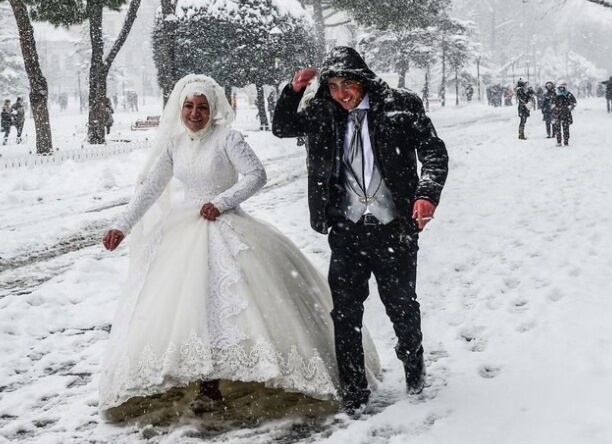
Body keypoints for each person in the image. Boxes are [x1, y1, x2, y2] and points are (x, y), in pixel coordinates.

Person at [99, 73, 380, 417]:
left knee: (229, 304)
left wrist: (222, 201)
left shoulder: (228, 139)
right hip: (183, 230)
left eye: (202, 107)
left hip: (226, 225)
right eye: (188, 106)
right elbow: (149, 189)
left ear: (213, 109)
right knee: (190, 305)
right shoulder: (174, 146)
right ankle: (203, 381)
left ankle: (235, 375)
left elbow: (256, 175)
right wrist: (121, 225)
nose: (194, 113)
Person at [272, 46, 449, 417]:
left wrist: (426, 195)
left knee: (401, 307)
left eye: (347, 84)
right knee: (345, 314)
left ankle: (414, 370)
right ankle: (354, 393)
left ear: (363, 79)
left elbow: (434, 151)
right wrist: (293, 91)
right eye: (333, 86)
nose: (341, 94)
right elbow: (283, 127)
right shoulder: (322, 112)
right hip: (347, 230)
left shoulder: (400, 105)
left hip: (395, 228)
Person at [553, 80, 577, 147]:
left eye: (563, 87)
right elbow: (552, 103)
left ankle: (566, 141)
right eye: (560, 87)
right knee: (557, 128)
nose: (561, 88)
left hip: (566, 114)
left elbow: (574, 103)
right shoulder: (555, 94)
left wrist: (569, 108)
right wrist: (555, 108)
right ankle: (558, 141)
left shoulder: (568, 94)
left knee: (566, 128)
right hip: (557, 114)